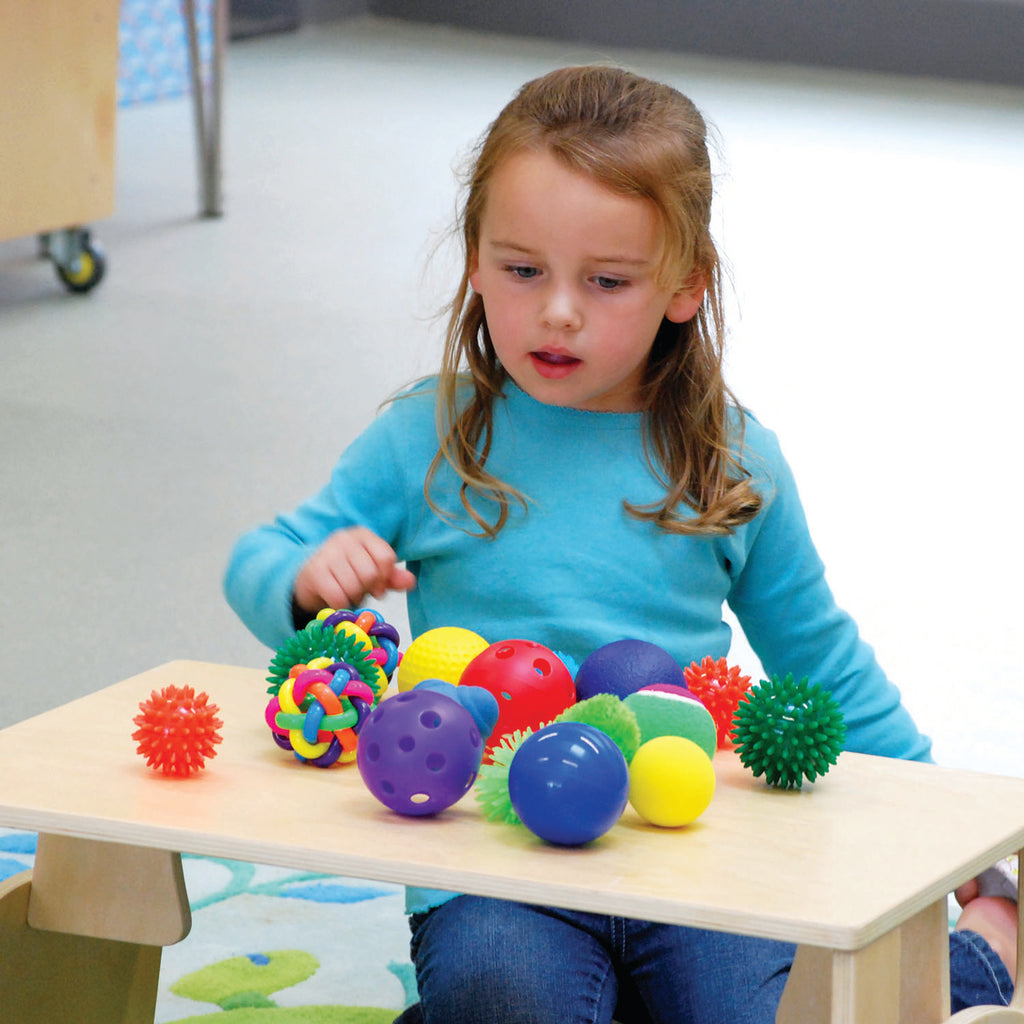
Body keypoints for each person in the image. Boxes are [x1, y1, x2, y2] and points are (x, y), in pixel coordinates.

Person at [224, 65, 1016, 1023]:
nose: (558, 311)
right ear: (474, 259)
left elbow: (821, 660)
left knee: (779, 1011)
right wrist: (308, 580)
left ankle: (984, 958)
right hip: (493, 857)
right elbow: (260, 559)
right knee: (501, 999)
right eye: (523, 270)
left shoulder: (732, 461)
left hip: (684, 838)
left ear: (685, 284)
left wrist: (962, 849)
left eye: (606, 282)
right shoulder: (425, 438)